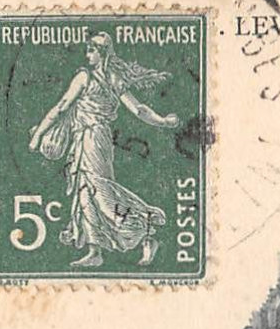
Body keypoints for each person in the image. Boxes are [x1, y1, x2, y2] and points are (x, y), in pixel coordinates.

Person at [27, 32, 180, 269]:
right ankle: (94, 250)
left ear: (102, 53)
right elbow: (138, 109)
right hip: (88, 138)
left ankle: (146, 231)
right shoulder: (110, 78)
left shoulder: (86, 77)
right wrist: (162, 121)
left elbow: (62, 107)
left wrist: (38, 135)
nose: (87, 54)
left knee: (99, 191)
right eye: (87, 50)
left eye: (91, 50)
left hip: (93, 138)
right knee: (85, 191)